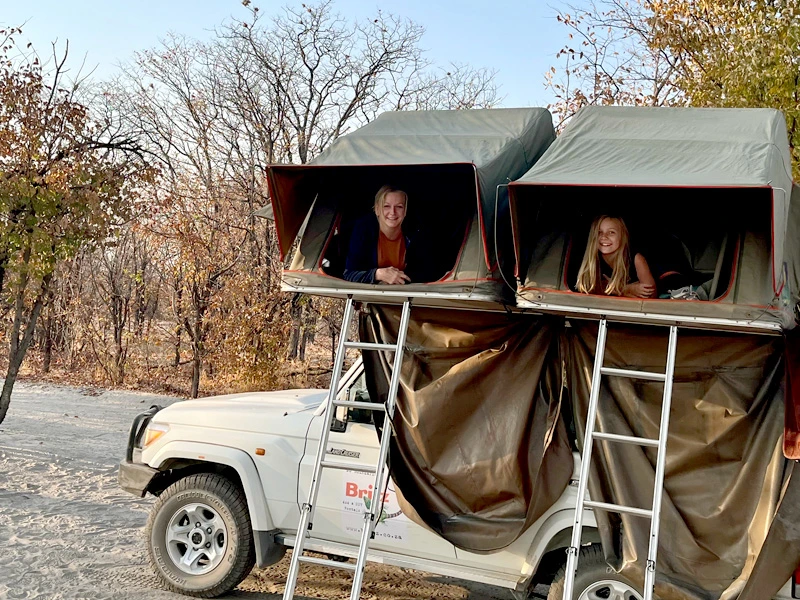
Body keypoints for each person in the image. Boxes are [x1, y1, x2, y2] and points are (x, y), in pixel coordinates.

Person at [344, 185, 419, 284]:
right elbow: (349, 274)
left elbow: (424, 273)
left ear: (405, 211)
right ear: (377, 209)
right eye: (386, 206)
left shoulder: (415, 233)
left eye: (399, 207)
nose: (393, 212)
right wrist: (378, 274)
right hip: (370, 296)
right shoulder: (363, 231)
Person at [576, 215, 656, 298]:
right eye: (599, 232)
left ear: (622, 236)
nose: (604, 237)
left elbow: (650, 296)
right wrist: (627, 289)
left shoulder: (636, 259)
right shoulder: (593, 259)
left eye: (611, 232)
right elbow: (589, 289)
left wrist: (612, 290)